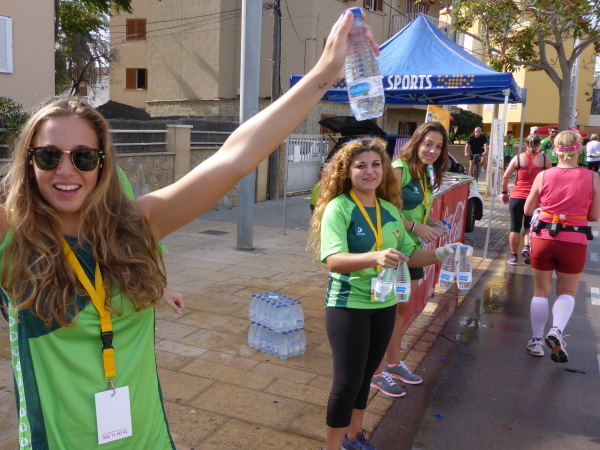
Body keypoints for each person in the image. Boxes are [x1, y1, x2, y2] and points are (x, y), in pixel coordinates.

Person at [0, 10, 367, 449]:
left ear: (102, 164)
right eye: (48, 156)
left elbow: (234, 157)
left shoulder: (135, 226)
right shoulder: (12, 237)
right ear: (29, 163)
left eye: (83, 157)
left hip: (148, 440)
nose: (66, 170)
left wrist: (324, 73)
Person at [308, 136, 465, 450]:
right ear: (347, 171)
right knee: (346, 382)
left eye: (376, 164)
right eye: (361, 166)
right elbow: (333, 260)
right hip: (348, 304)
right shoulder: (339, 208)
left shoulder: (390, 210)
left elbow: (410, 255)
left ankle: (354, 437)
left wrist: (442, 253)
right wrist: (376, 257)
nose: (370, 171)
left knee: (366, 375)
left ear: (384, 169)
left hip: (384, 303)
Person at [371, 121, 449, 398]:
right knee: (385, 313)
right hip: (392, 250)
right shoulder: (399, 170)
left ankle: (392, 364)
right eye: (428, 144)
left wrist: (432, 222)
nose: (432, 151)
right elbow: (382, 209)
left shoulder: (424, 172)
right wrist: (416, 227)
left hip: (411, 251)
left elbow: (414, 210)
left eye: (438, 146)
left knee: (401, 310)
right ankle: (375, 373)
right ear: (416, 143)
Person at [524, 130, 600, 361]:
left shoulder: (543, 176)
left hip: (543, 238)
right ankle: (556, 330)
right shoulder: (592, 178)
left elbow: (528, 210)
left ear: (554, 150)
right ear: (580, 150)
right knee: (567, 292)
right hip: (574, 241)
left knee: (540, 292)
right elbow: (594, 216)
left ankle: (536, 341)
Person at [501, 134, 551, 266]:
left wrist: (505, 193)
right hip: (534, 199)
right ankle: (527, 247)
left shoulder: (517, 158)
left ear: (525, 144)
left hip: (517, 197)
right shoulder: (545, 159)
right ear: (539, 145)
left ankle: (513, 256)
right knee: (530, 226)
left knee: (514, 227)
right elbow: (551, 178)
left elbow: (505, 177)